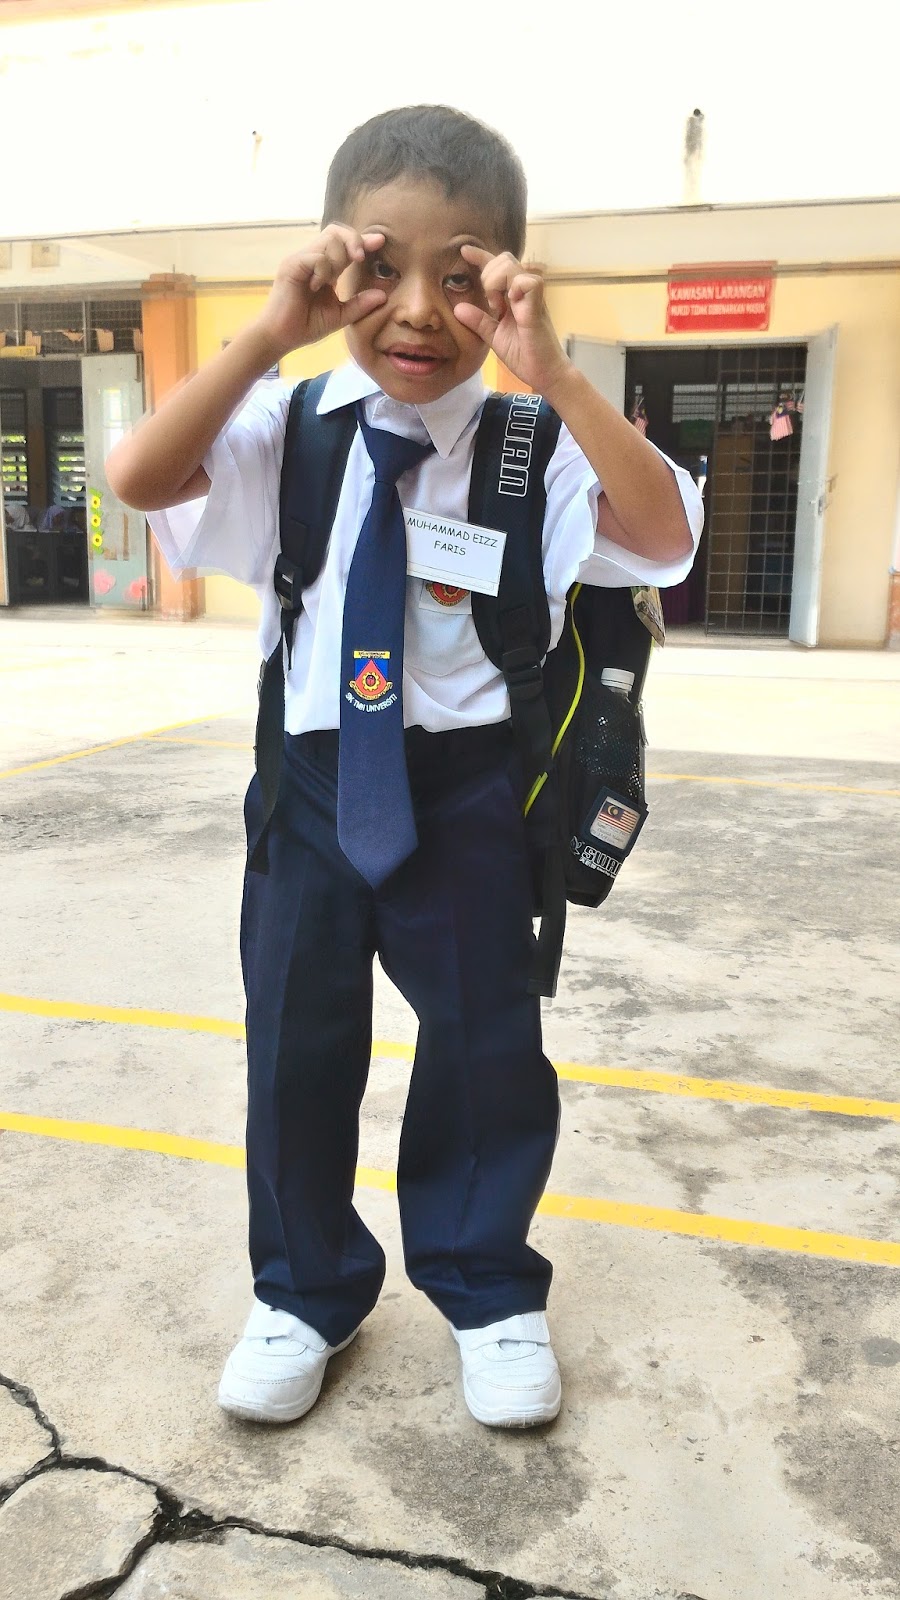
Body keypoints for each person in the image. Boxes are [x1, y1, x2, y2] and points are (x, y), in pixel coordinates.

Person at [107, 105, 702, 1431]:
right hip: (313, 791)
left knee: (488, 1052)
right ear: (334, 264)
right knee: (294, 1048)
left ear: (511, 281)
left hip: (472, 795)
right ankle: (302, 1289)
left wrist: (557, 375)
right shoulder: (288, 422)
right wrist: (268, 331)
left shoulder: (536, 444)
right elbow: (141, 478)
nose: (421, 310)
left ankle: (487, 1288)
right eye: (384, 268)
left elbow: (661, 537)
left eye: (463, 274)